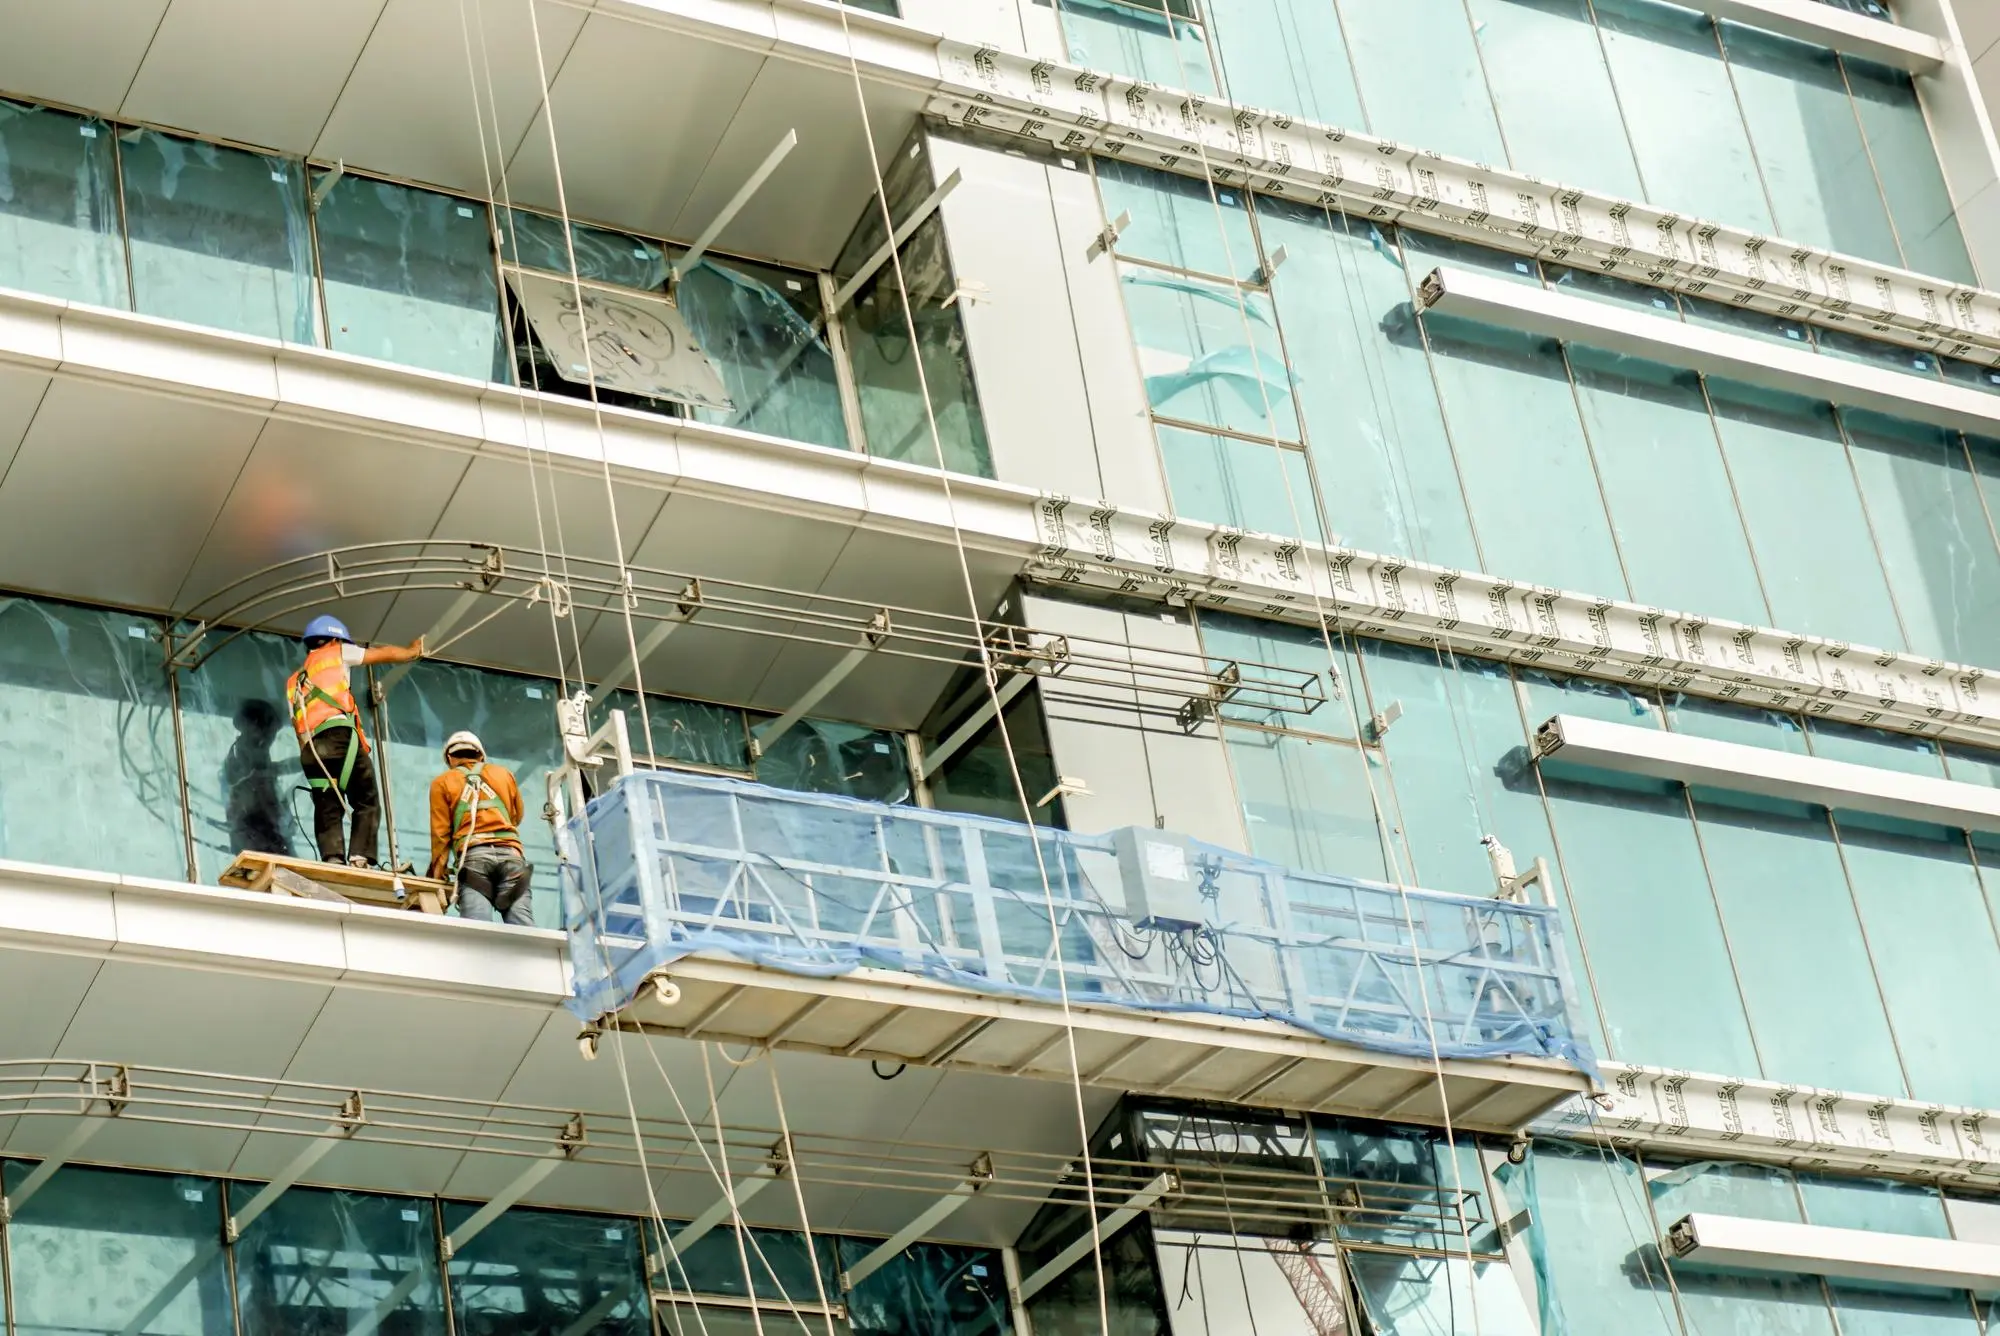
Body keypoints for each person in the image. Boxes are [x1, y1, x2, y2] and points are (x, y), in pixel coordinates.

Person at [285, 615, 423, 868]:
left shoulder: (293, 682)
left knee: (327, 804)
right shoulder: (336, 652)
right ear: (336, 638)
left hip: (312, 750)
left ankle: (333, 858)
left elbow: (298, 727)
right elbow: (380, 655)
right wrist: (411, 652)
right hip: (338, 736)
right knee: (365, 799)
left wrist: (311, 757)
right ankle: (360, 858)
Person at [429, 731, 534, 926]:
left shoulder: (442, 782)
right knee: (523, 927)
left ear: (450, 758)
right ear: (481, 755)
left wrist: (438, 873)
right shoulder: (504, 774)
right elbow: (517, 815)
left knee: (478, 931)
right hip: (511, 856)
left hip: (474, 858)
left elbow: (440, 835)